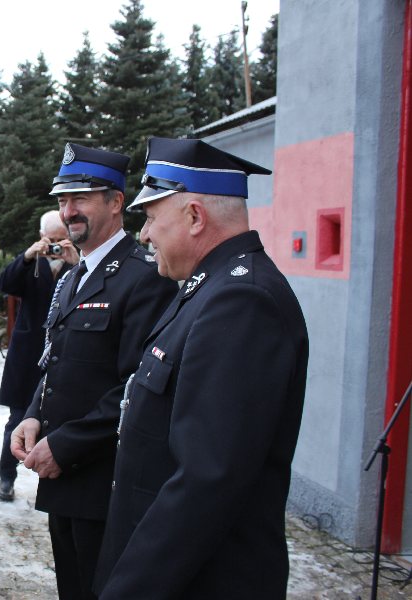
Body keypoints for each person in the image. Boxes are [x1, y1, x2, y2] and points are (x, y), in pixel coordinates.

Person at [93, 137, 309, 599]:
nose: (144, 235)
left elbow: (206, 480)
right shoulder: (207, 288)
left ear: (194, 217)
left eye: (152, 218)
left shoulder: (241, 301)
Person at [10, 143, 178, 599]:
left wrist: (63, 445)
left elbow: (137, 387)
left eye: (81, 198)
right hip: (62, 476)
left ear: (116, 202)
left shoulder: (145, 277)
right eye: (63, 200)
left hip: (107, 483)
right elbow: (57, 360)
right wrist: (33, 414)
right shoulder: (73, 276)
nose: (69, 211)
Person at [0, 210, 78, 502]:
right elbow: (5, 284)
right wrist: (28, 256)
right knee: (17, 420)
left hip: (62, 355)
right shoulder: (31, 262)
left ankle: (53, 482)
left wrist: (76, 263)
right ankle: (6, 477)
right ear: (42, 237)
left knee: (60, 420)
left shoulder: (77, 264)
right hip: (27, 355)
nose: (56, 245)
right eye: (51, 239)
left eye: (61, 238)